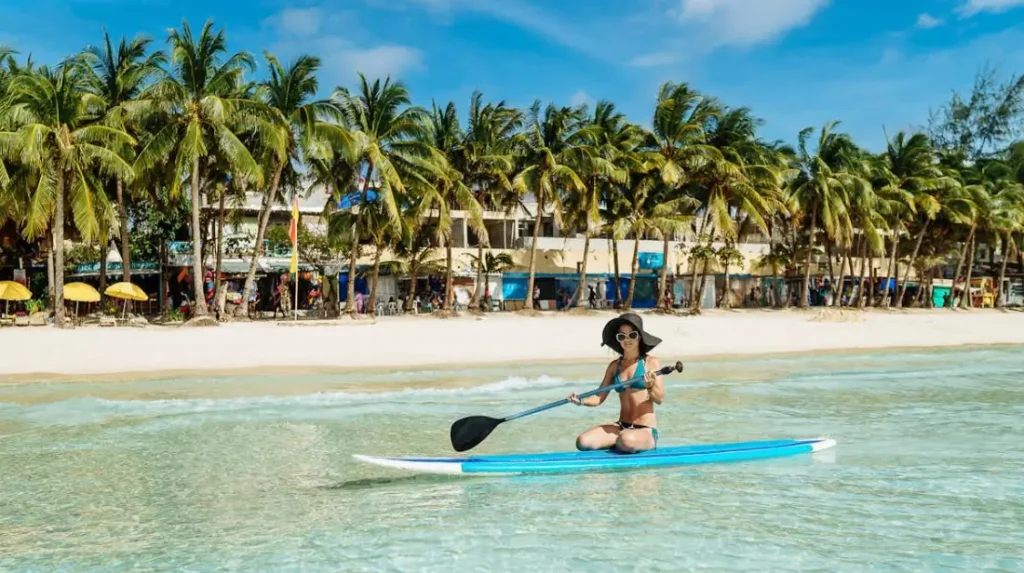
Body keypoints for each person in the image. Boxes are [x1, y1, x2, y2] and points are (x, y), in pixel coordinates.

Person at [568, 312, 665, 453]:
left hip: (645, 429)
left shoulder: (651, 363)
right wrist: (580, 401)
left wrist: (650, 387)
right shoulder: (614, 366)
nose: (627, 339)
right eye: (622, 336)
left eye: (632, 335)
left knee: (625, 440)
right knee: (583, 442)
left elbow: (660, 399)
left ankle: (630, 442)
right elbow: (598, 397)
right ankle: (622, 443)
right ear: (618, 339)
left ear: (639, 337)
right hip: (621, 427)